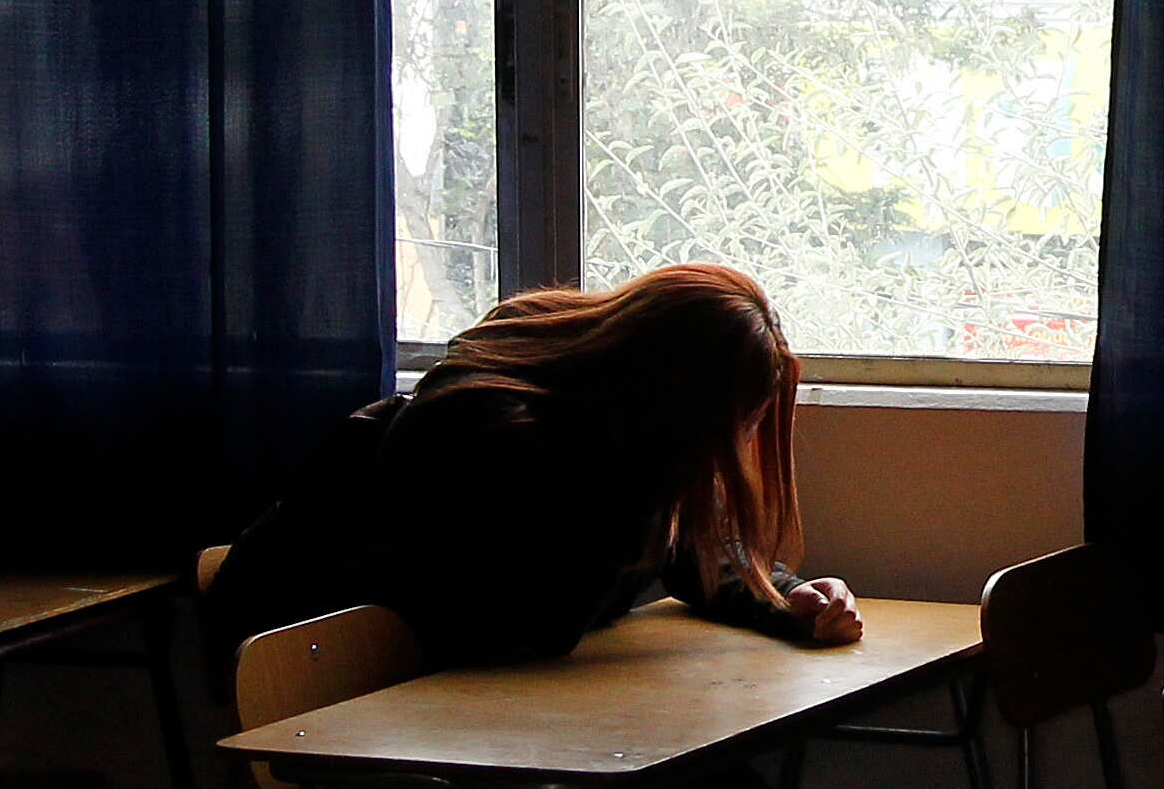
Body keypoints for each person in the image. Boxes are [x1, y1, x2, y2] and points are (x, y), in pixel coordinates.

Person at [203, 263, 862, 672]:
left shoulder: (607, 428)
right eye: (720, 433)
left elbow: (687, 554)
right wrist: (647, 499)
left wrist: (783, 597)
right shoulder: (485, 430)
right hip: (349, 699)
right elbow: (540, 627)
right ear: (672, 402)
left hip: (449, 693)